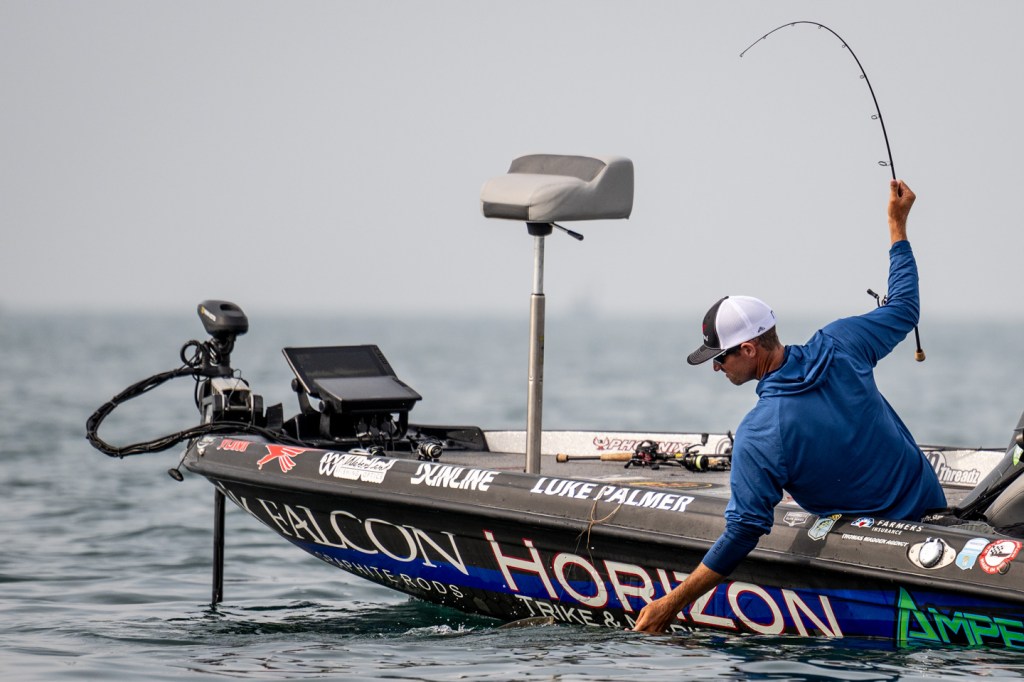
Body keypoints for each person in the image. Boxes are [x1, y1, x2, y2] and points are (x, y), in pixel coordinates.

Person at [632, 179, 945, 634]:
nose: (715, 367)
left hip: (878, 554)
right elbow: (904, 308)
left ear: (750, 349)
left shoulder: (762, 432)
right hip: (935, 516)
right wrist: (897, 226)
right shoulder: (842, 342)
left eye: (720, 357)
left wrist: (670, 603)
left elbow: (744, 530)